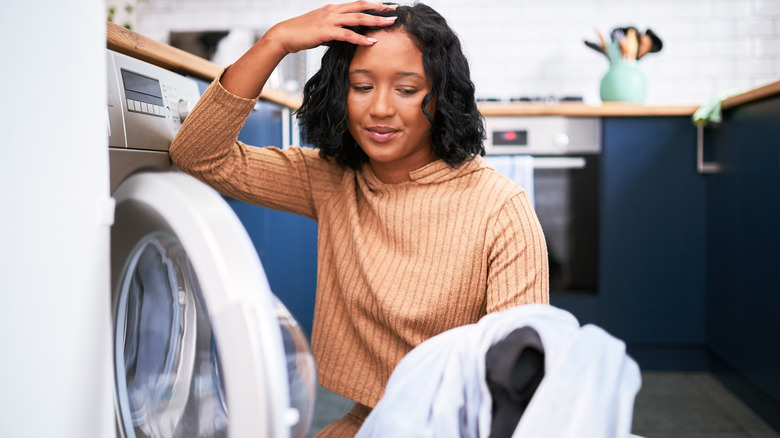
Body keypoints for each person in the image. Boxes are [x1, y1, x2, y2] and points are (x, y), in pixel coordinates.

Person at [169, 2, 549, 436]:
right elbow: (199, 154)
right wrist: (277, 40)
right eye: (362, 85)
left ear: (443, 97)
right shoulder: (330, 179)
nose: (380, 109)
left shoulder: (501, 209)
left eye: (407, 90)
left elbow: (520, 384)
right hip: (367, 422)